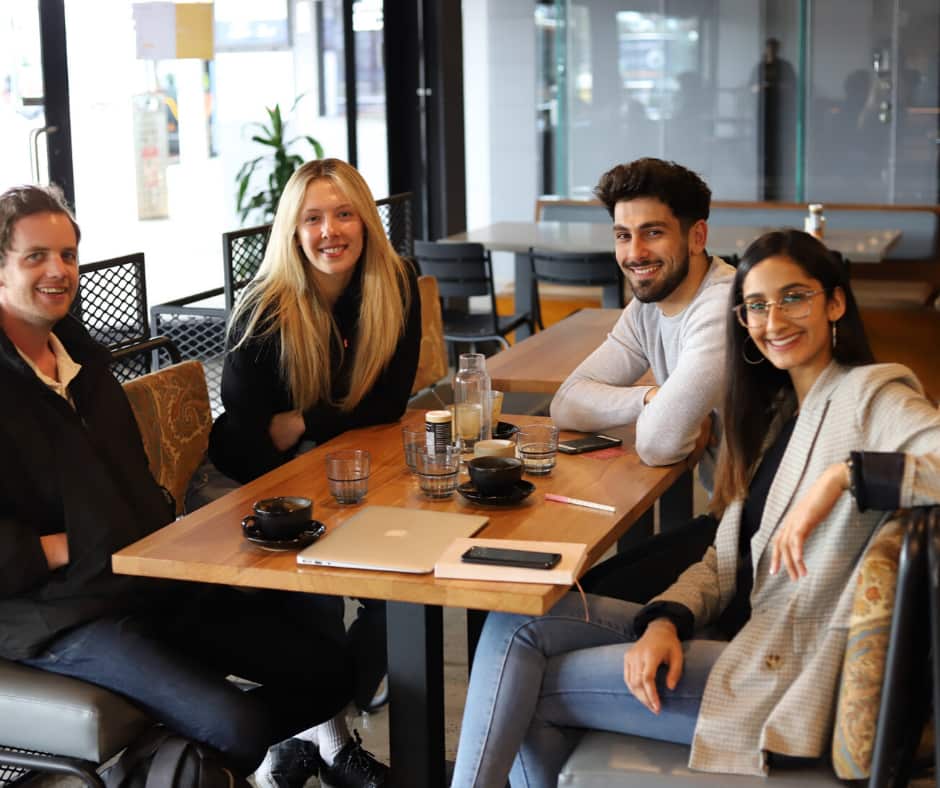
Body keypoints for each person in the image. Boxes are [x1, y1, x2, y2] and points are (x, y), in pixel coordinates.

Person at [451, 229, 940, 787]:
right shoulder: (777, 414)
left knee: (530, 684)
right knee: (516, 622)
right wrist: (664, 619)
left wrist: (844, 476)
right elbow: (722, 565)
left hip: (787, 674)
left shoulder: (872, 394)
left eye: (794, 297)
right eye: (757, 305)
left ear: (835, 302)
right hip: (736, 639)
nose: (774, 319)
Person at [0, 184, 374, 788]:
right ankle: (181, 766)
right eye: (36, 256)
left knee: (328, 673)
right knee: (236, 725)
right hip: (49, 617)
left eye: (68, 255)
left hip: (139, 580)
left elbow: (128, 478)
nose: (59, 271)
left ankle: (175, 765)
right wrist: (67, 547)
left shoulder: (80, 354)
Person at [207, 158, 421, 740]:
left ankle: (325, 723)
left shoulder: (395, 283)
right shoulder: (264, 306)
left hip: (338, 468)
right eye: (314, 218)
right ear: (294, 231)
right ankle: (330, 739)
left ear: (365, 220)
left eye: (344, 214)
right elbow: (249, 434)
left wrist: (303, 419)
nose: (331, 231)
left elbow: (389, 402)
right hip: (251, 476)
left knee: (397, 595)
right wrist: (315, 436)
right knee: (316, 588)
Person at [550, 158, 734, 596]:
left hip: (769, 533)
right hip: (731, 517)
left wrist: (664, 415)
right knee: (570, 591)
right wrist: (652, 399)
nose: (634, 254)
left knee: (571, 601)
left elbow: (660, 444)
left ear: (697, 237)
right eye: (622, 235)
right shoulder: (647, 309)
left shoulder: (724, 305)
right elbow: (565, 403)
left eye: (653, 232)